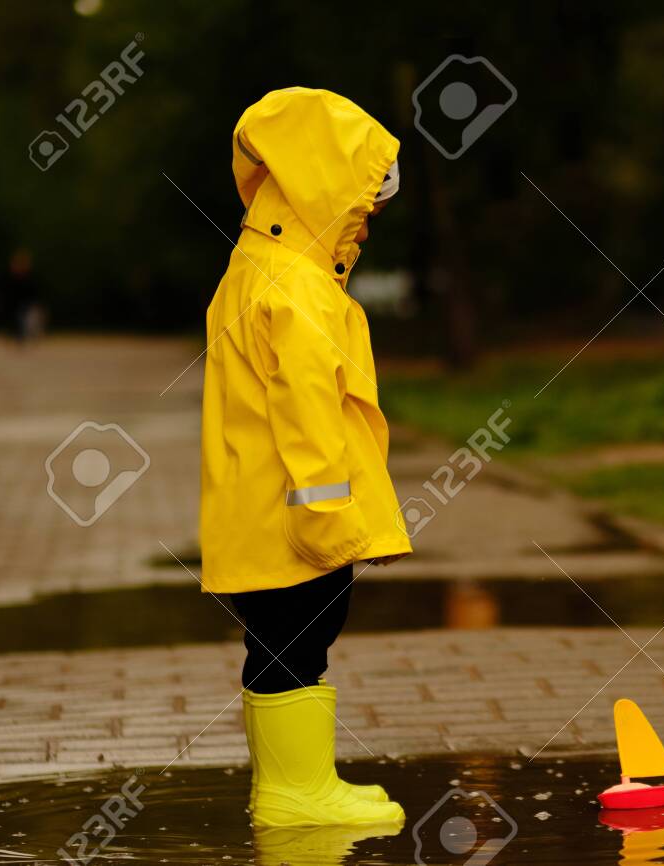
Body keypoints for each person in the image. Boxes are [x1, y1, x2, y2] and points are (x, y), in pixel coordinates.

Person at [199, 87, 412, 829]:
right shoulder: (296, 292)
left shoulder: (259, 268)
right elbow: (310, 421)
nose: (367, 221)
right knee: (300, 640)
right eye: (363, 204)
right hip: (297, 523)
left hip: (260, 512)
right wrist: (335, 523)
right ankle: (298, 792)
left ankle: (288, 786)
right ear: (325, 185)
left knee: (278, 644)